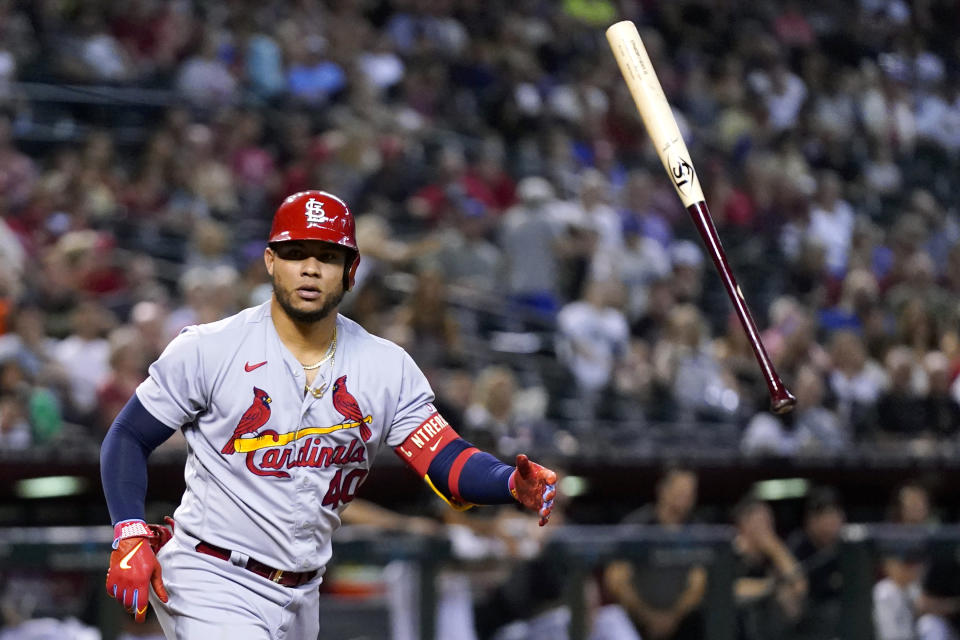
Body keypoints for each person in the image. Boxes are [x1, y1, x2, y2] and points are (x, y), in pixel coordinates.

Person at [99, 190, 558, 638]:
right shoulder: (209, 348)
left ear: (351, 270)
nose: (311, 269)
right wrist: (130, 532)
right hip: (211, 575)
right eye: (296, 252)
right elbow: (128, 437)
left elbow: (445, 459)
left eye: (328, 256)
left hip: (304, 592)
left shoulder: (384, 366)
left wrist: (507, 482)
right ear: (270, 261)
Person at [603, 467, 707, 640]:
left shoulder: (698, 531)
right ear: (663, 490)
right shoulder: (636, 528)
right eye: (680, 492)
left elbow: (699, 581)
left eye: (690, 493)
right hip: (636, 624)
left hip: (684, 624)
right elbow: (616, 578)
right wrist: (648, 616)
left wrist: (673, 616)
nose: (686, 498)